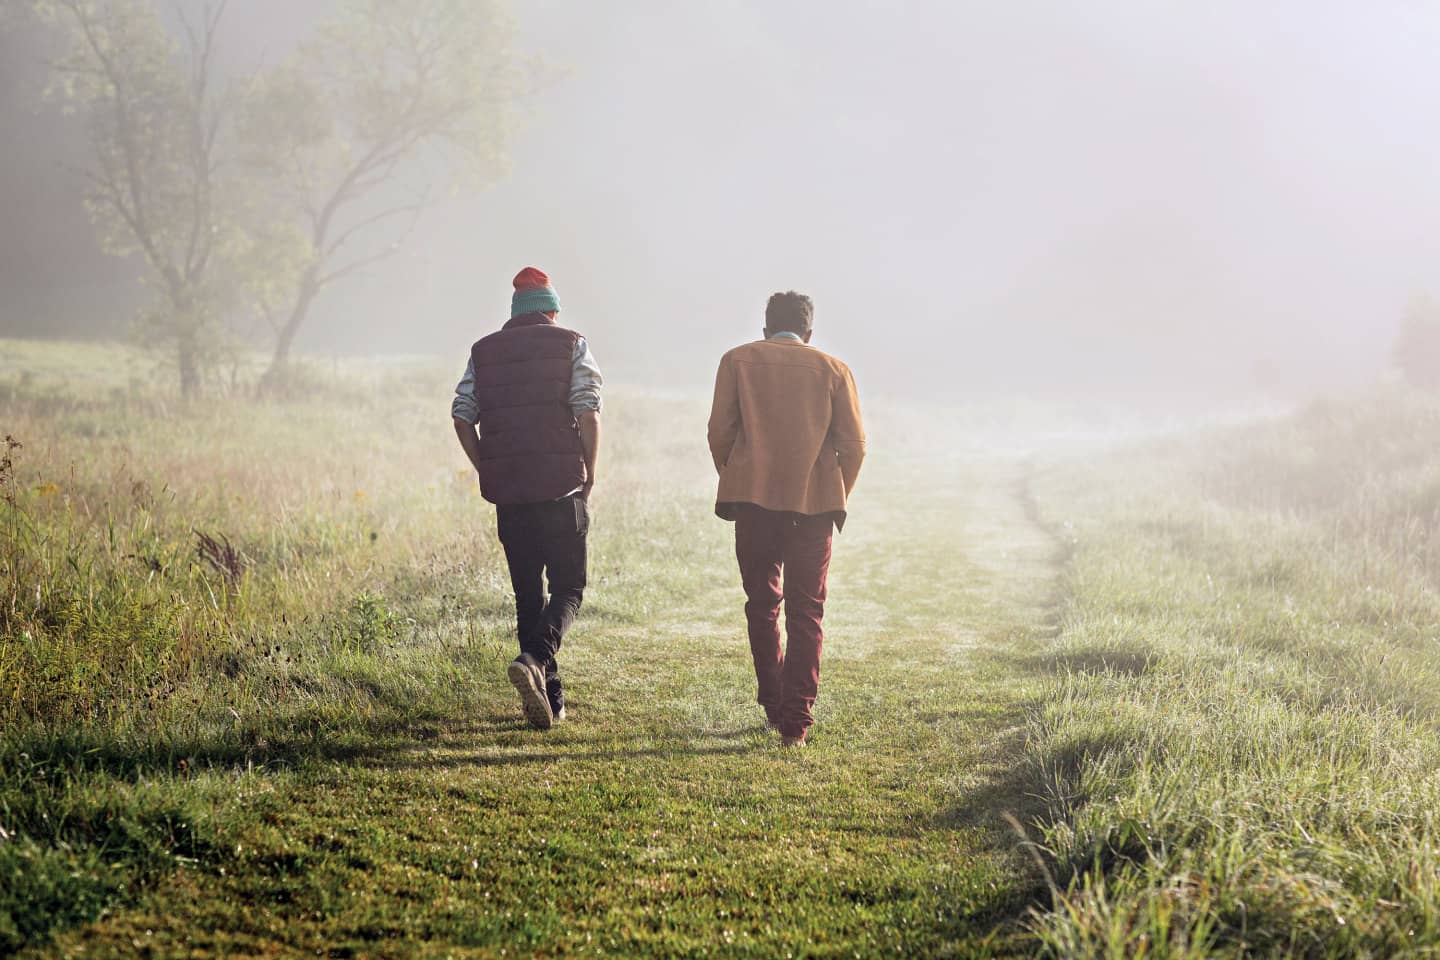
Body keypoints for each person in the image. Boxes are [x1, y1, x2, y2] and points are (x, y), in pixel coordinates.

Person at [706, 291, 865, 747]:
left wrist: (737, 475)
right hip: (813, 508)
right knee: (807, 612)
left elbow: (720, 431)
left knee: (762, 605)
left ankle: (774, 706)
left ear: (765, 329)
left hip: (752, 503)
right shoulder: (835, 370)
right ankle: (795, 722)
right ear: (809, 333)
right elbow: (854, 446)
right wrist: (835, 491)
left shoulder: (736, 361)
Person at [452, 267, 602, 730]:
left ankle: (549, 702)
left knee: (527, 596)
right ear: (552, 311)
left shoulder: (484, 351)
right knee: (570, 588)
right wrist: (590, 469)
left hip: (510, 494)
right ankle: (536, 660)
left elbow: (462, 415)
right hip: (561, 488)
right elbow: (588, 409)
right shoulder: (571, 342)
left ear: (515, 314)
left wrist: (485, 466)